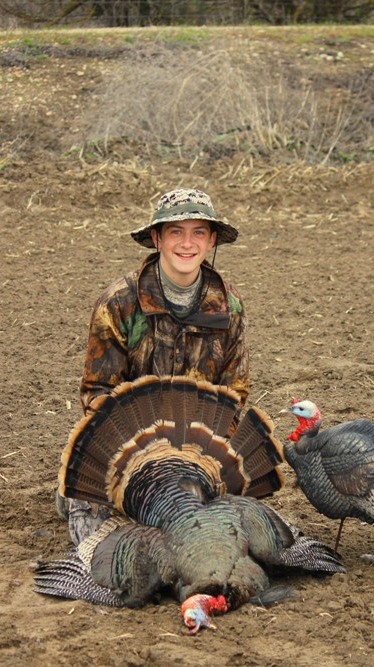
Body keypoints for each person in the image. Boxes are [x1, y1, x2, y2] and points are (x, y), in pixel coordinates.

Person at [59, 188, 249, 543]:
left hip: (198, 456)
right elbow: (97, 394)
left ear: (211, 241)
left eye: (198, 232)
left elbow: (234, 395)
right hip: (128, 454)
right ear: (157, 238)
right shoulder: (119, 302)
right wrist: (144, 462)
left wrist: (200, 460)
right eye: (176, 231)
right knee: (107, 545)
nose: (187, 243)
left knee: (228, 535)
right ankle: (74, 497)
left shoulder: (229, 305)